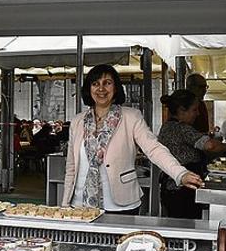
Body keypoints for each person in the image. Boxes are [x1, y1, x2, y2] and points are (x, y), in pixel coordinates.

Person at [62, 64, 203, 215]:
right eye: (95, 84)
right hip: (80, 206)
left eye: (107, 83)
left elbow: (153, 149)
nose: (101, 89)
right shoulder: (77, 121)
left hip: (120, 205)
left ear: (115, 88)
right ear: (89, 89)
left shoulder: (131, 117)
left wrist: (179, 173)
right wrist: (65, 204)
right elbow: (71, 167)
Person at [157, 89, 226, 219]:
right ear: (182, 110)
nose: (198, 113)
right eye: (194, 110)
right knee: (185, 228)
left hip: (172, 189)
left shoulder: (167, 127)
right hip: (182, 191)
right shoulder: (181, 128)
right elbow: (210, 145)